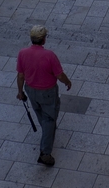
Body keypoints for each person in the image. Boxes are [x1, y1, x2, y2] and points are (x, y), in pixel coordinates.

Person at [16, 26, 72, 167]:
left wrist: (20, 92)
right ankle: (45, 153)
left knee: (40, 113)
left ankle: (48, 130)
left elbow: (20, 75)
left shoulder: (22, 53)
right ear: (43, 40)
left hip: (30, 90)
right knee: (49, 119)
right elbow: (59, 75)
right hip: (47, 92)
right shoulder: (49, 55)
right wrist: (67, 82)